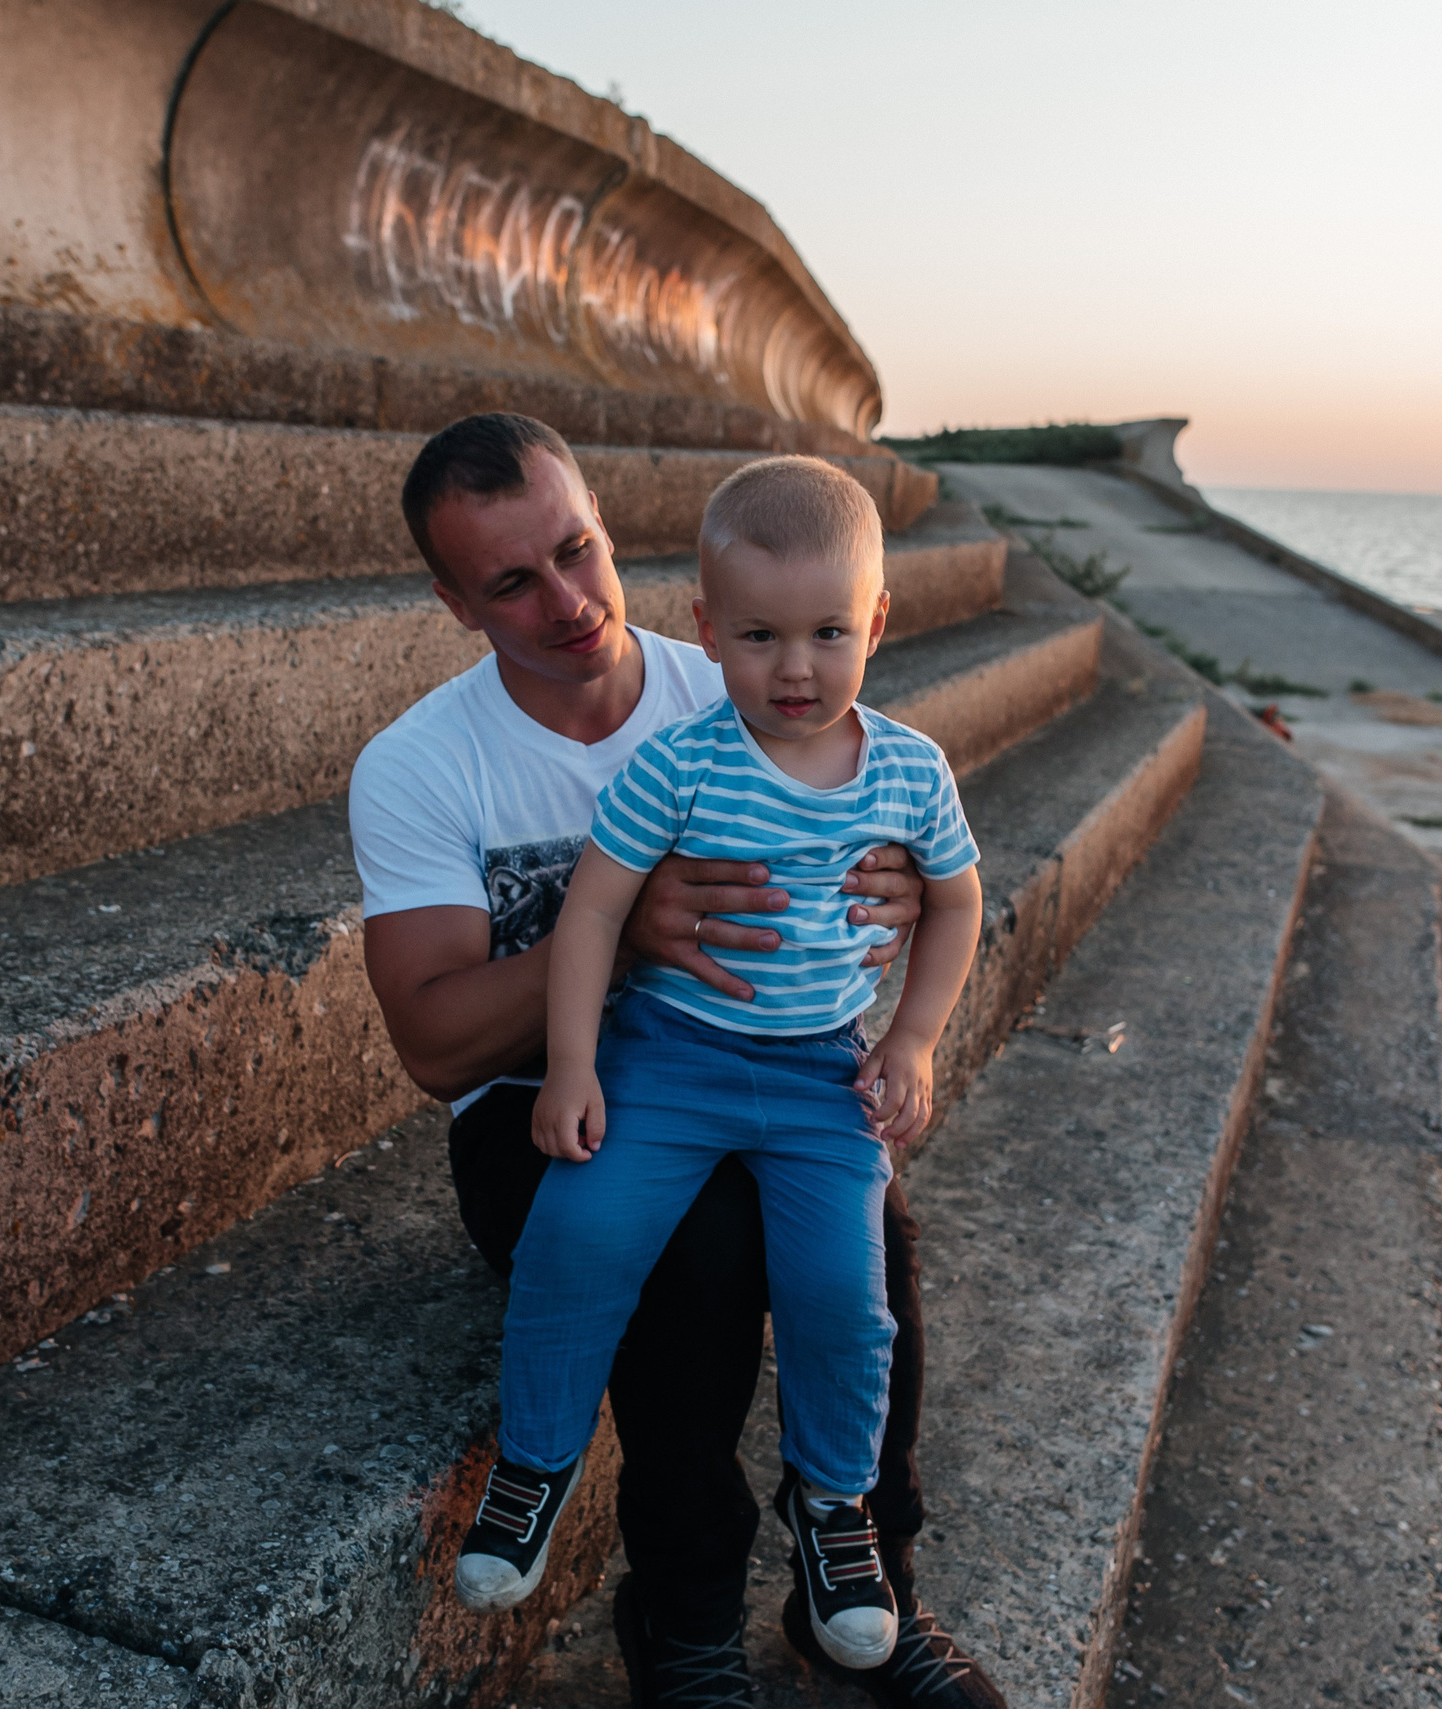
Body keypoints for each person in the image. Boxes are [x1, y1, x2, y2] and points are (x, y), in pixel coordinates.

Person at [349, 414, 1008, 1708]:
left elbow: (898, 846)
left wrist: (894, 889)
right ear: (453, 604)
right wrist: (632, 932)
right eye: (510, 582)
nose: (565, 601)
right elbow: (432, 1044)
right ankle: (686, 1618)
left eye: (575, 551)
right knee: (697, 1253)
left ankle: (866, 1586)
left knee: (873, 1229)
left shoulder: (746, 676)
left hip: (762, 1062)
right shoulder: (420, 765)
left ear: (605, 527)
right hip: (543, 1098)